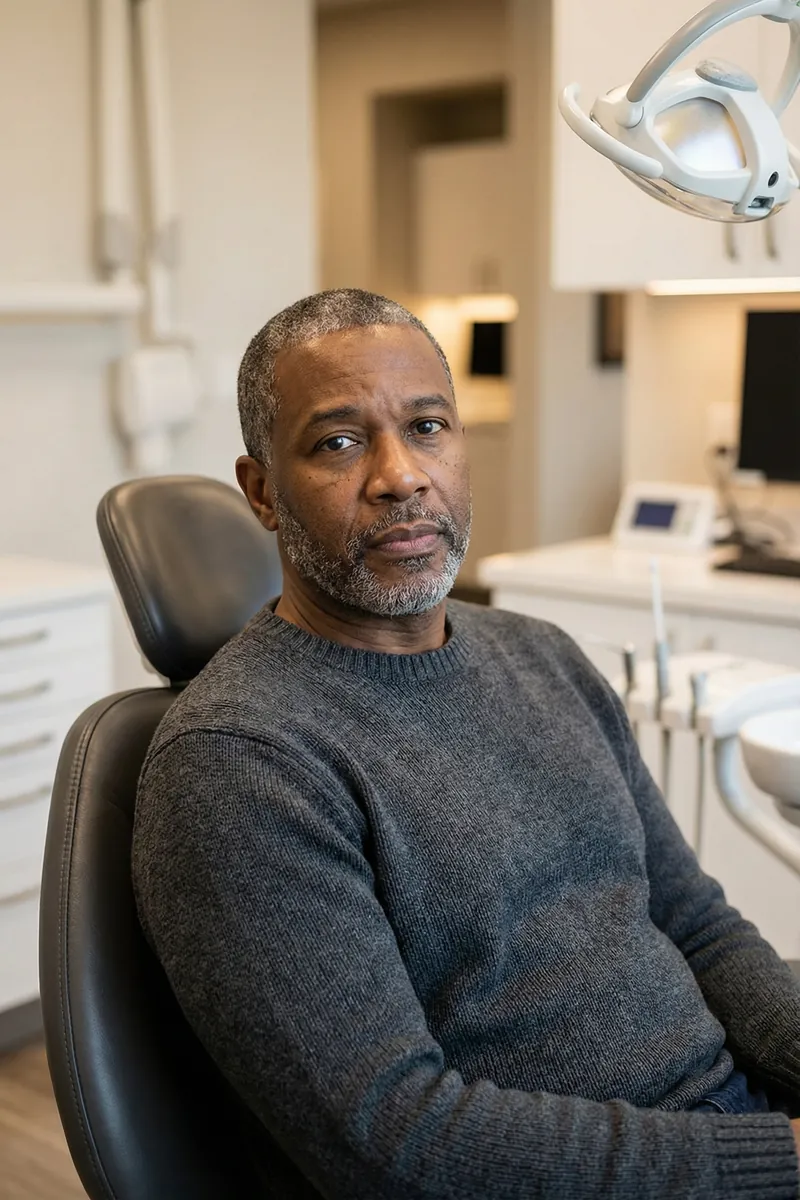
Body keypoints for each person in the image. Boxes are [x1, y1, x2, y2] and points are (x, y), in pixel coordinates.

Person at [133, 288, 800, 1199]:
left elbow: (697, 924)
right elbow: (394, 1142)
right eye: (339, 443)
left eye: (427, 427)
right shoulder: (238, 763)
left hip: (735, 1134)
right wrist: (775, 1162)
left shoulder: (544, 656)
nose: (401, 475)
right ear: (263, 494)